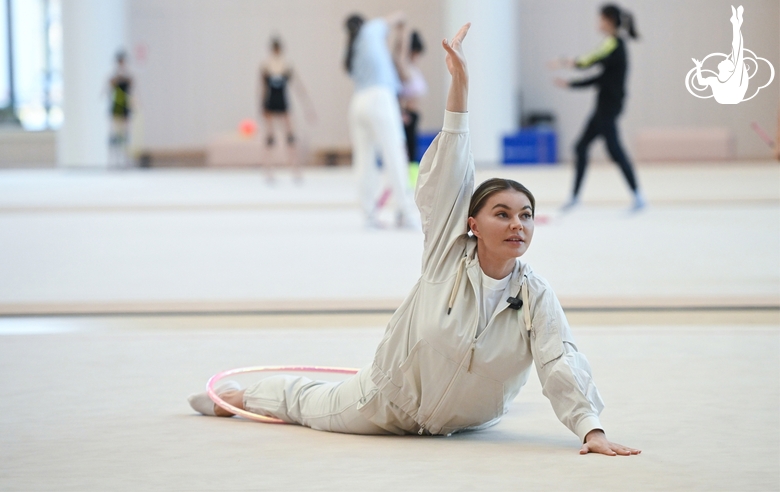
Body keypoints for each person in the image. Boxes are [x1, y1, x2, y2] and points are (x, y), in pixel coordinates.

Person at [188, 23, 641, 456]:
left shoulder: (535, 295)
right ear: (472, 224)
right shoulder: (448, 254)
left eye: (526, 215)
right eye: (501, 214)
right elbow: (451, 171)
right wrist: (459, 84)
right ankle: (242, 397)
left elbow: (559, 360)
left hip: (466, 422)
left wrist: (591, 429)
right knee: (309, 405)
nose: (517, 224)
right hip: (387, 400)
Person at [552, 4, 645, 212]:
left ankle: (638, 196)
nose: (598, 23)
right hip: (604, 106)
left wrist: (565, 62)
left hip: (609, 107)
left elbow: (588, 61)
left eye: (601, 19)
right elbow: (601, 78)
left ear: (609, 20)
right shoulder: (612, 44)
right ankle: (575, 197)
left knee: (614, 150)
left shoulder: (614, 44)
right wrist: (571, 84)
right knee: (581, 147)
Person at [344, 12, 420, 229]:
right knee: (395, 156)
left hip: (358, 101)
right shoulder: (370, 31)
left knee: (364, 161)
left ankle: (368, 216)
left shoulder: (349, 48)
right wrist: (403, 23)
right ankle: (405, 213)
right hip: (379, 98)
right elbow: (395, 18)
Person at [258, 37, 315, 183]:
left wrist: (307, 106)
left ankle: (295, 169)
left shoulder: (286, 65)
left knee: (290, 137)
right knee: (269, 138)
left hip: (283, 103)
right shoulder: (266, 65)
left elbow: (298, 87)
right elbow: (262, 88)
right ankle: (268, 170)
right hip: (270, 103)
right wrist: (261, 107)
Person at [692, 6, 748, 104]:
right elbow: (701, 82)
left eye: (727, 61)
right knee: (737, 50)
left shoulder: (732, 78)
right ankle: (736, 23)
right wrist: (698, 67)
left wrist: (698, 68)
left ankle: (736, 24)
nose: (724, 59)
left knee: (737, 50)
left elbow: (737, 49)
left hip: (732, 96)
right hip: (730, 97)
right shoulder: (716, 80)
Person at [394, 28, 428, 164]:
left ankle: (412, 177)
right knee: (406, 150)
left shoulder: (414, 69)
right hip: (406, 114)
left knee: (412, 150)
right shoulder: (404, 69)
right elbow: (398, 92)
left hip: (413, 114)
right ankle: (405, 178)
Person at [108, 51, 133, 168]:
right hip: (116, 107)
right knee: (114, 134)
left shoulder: (128, 75)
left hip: (124, 107)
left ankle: (125, 160)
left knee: (125, 134)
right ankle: (114, 160)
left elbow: (131, 84)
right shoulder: (114, 75)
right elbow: (110, 84)